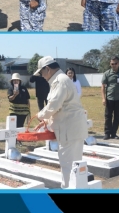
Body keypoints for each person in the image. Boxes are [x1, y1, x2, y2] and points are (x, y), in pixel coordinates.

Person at [33, 56, 88, 188]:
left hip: (68, 131)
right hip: (73, 129)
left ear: (47, 69)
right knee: (75, 165)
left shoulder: (59, 81)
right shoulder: (61, 80)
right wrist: (46, 121)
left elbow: (53, 106)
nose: (42, 76)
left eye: (41, 73)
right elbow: (62, 107)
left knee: (68, 166)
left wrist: (39, 115)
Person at [101, 56, 119, 140]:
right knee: (108, 116)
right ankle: (107, 133)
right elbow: (103, 87)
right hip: (109, 98)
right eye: (112, 64)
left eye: (115, 63)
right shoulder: (107, 73)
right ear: (110, 64)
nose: (114, 65)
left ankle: (113, 133)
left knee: (117, 117)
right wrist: (103, 98)